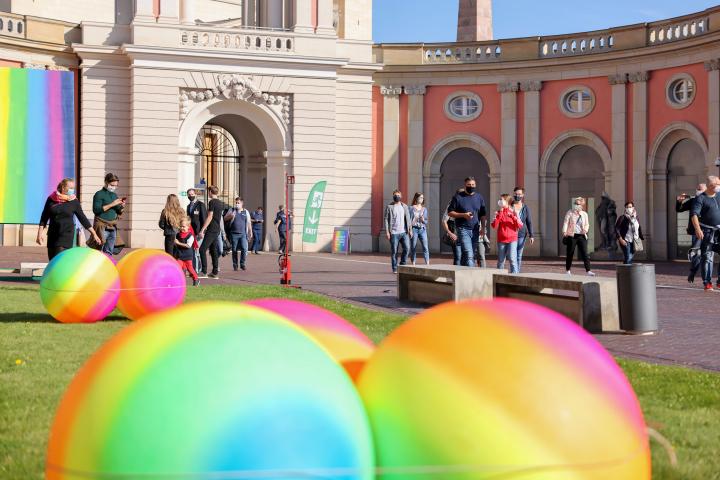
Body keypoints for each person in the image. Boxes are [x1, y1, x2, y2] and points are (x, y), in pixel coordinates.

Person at [37, 178, 100, 260]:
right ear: (63, 188)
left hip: (66, 234)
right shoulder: (51, 199)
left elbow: (83, 218)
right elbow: (44, 217)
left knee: (58, 260)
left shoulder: (74, 201)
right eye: (70, 188)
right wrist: (39, 234)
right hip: (53, 235)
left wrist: (94, 234)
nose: (72, 190)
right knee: (52, 260)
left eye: (73, 188)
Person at [448, 177, 487, 267]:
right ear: (465, 185)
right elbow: (450, 212)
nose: (471, 186)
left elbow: (483, 214)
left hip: (475, 229)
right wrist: (463, 215)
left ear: (475, 185)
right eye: (469, 185)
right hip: (463, 228)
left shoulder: (479, 197)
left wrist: (483, 228)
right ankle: (471, 277)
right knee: (469, 254)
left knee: (470, 253)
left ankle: (461, 271)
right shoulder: (458, 197)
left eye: (473, 185)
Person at [690, 176, 720, 291]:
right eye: (717, 184)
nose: (719, 187)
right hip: (707, 231)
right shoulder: (700, 198)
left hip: (719, 231)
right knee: (707, 257)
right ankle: (707, 283)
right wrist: (697, 229)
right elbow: (694, 215)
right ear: (710, 186)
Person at [677, 183, 706, 283]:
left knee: (707, 256)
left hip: (709, 231)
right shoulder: (693, 201)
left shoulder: (711, 200)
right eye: (697, 189)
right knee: (697, 253)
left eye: (700, 189)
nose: (698, 191)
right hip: (696, 232)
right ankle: (693, 273)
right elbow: (679, 209)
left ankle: (706, 280)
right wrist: (679, 201)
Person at [92, 173, 124, 256]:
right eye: (112, 185)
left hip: (112, 227)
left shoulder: (114, 195)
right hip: (102, 226)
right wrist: (112, 204)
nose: (113, 187)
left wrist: (122, 207)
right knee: (98, 250)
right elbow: (96, 210)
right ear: (106, 182)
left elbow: (119, 211)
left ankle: (108, 266)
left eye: (116, 186)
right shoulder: (99, 194)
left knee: (109, 251)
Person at [562, 197, 595, 276]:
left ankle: (588, 271)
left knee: (585, 253)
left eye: (578, 204)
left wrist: (585, 230)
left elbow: (587, 224)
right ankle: (568, 270)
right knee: (570, 253)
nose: (576, 205)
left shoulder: (584, 214)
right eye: (575, 204)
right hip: (572, 235)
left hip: (581, 236)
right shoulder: (570, 212)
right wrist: (564, 231)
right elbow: (566, 222)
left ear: (581, 205)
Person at [491, 195, 523, 274]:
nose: (500, 201)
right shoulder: (498, 212)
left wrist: (513, 216)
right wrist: (500, 213)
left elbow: (520, 225)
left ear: (507, 202)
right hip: (501, 239)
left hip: (512, 239)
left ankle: (515, 277)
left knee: (512, 259)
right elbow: (494, 225)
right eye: (500, 199)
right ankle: (499, 277)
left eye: (502, 200)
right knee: (501, 260)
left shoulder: (514, 212)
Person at [384, 189, 412, 274]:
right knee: (394, 251)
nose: (397, 197)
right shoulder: (389, 207)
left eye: (398, 195)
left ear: (401, 196)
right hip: (394, 233)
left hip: (404, 232)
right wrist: (387, 232)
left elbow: (408, 219)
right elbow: (386, 219)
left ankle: (402, 264)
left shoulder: (405, 206)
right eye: (395, 195)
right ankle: (395, 268)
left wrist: (410, 230)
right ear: (393, 196)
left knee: (407, 248)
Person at [198, 186, 223, 279]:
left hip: (212, 229)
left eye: (208, 192)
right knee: (213, 250)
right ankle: (215, 272)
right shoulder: (220, 203)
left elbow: (210, 216)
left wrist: (202, 229)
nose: (208, 193)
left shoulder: (212, 202)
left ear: (210, 192)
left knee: (202, 249)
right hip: (217, 229)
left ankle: (204, 272)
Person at [224, 197, 253, 271]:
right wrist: (230, 216)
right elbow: (224, 218)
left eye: (238, 203)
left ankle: (242, 263)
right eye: (236, 203)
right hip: (234, 233)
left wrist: (250, 232)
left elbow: (249, 223)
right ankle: (235, 265)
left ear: (242, 204)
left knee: (244, 248)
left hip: (243, 234)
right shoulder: (232, 210)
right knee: (234, 250)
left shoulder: (246, 212)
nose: (237, 204)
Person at [512, 186, 534, 272]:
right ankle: (514, 271)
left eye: (519, 194)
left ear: (523, 195)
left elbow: (529, 222)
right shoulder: (510, 206)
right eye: (516, 194)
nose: (518, 195)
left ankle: (516, 273)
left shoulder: (525, 208)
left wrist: (531, 235)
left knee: (518, 255)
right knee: (511, 254)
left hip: (521, 234)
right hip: (511, 233)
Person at [174, 217, 200, 287]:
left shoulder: (190, 236)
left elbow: (188, 245)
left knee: (190, 269)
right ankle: (180, 282)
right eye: (181, 226)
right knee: (178, 267)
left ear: (188, 227)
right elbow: (175, 243)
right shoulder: (178, 235)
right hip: (180, 256)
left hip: (187, 256)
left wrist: (178, 243)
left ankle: (196, 279)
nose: (182, 228)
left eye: (184, 226)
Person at [186, 188, 207, 273]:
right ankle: (195, 268)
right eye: (189, 194)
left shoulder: (200, 205)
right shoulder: (188, 206)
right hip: (191, 232)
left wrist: (202, 231)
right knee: (193, 251)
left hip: (199, 232)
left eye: (192, 194)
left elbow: (204, 219)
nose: (191, 196)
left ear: (195, 195)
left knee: (196, 251)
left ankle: (197, 270)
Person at [410, 192, 430, 265]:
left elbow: (426, 221)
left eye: (422, 198)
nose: (421, 199)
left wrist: (423, 220)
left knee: (425, 246)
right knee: (413, 247)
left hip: (422, 229)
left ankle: (427, 263)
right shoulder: (411, 208)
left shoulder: (424, 209)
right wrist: (410, 230)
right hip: (414, 229)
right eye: (420, 197)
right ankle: (413, 263)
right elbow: (409, 220)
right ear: (416, 198)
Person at [442, 199, 462, 266]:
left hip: (465, 231)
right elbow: (444, 220)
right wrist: (449, 232)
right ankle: (456, 274)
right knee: (458, 255)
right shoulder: (452, 204)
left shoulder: (468, 202)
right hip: (455, 230)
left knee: (467, 256)